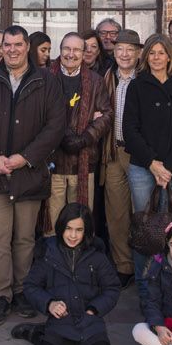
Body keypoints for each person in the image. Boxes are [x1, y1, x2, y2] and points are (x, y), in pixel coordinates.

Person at [0, 25, 66, 326]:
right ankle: (1, 295)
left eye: (17, 44)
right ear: (0, 48)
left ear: (27, 46)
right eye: (6, 45)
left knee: (25, 239)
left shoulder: (46, 81)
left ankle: (24, 290)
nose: (11, 50)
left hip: (29, 174)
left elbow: (55, 126)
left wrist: (24, 158)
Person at [14, 202, 121, 345]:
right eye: (68, 228)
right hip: (60, 320)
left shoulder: (96, 254)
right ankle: (37, 333)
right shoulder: (48, 252)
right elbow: (30, 285)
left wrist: (94, 309)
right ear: (61, 227)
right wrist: (49, 304)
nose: (73, 235)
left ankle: (82, 344)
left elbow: (113, 288)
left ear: (86, 231)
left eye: (79, 230)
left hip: (89, 320)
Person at [123, 34, 172, 278]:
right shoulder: (137, 86)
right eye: (151, 53)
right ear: (146, 57)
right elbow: (129, 130)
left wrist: (170, 167)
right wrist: (153, 164)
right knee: (145, 228)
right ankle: (145, 285)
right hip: (144, 168)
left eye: (161, 52)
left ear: (169, 56)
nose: (156, 57)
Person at [46, 31, 112, 229]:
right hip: (52, 163)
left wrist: (84, 138)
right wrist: (62, 134)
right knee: (52, 222)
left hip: (83, 162)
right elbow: (39, 115)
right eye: (67, 48)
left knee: (80, 222)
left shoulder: (95, 80)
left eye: (76, 50)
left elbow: (107, 115)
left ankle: (78, 259)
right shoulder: (46, 77)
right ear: (60, 50)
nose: (71, 54)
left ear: (84, 54)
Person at [100, 30, 143, 286]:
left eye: (130, 49)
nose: (124, 54)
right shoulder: (105, 79)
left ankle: (144, 266)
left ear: (138, 53)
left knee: (141, 213)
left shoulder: (146, 78)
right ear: (113, 53)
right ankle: (123, 266)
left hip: (139, 155)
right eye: (120, 49)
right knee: (116, 214)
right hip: (113, 152)